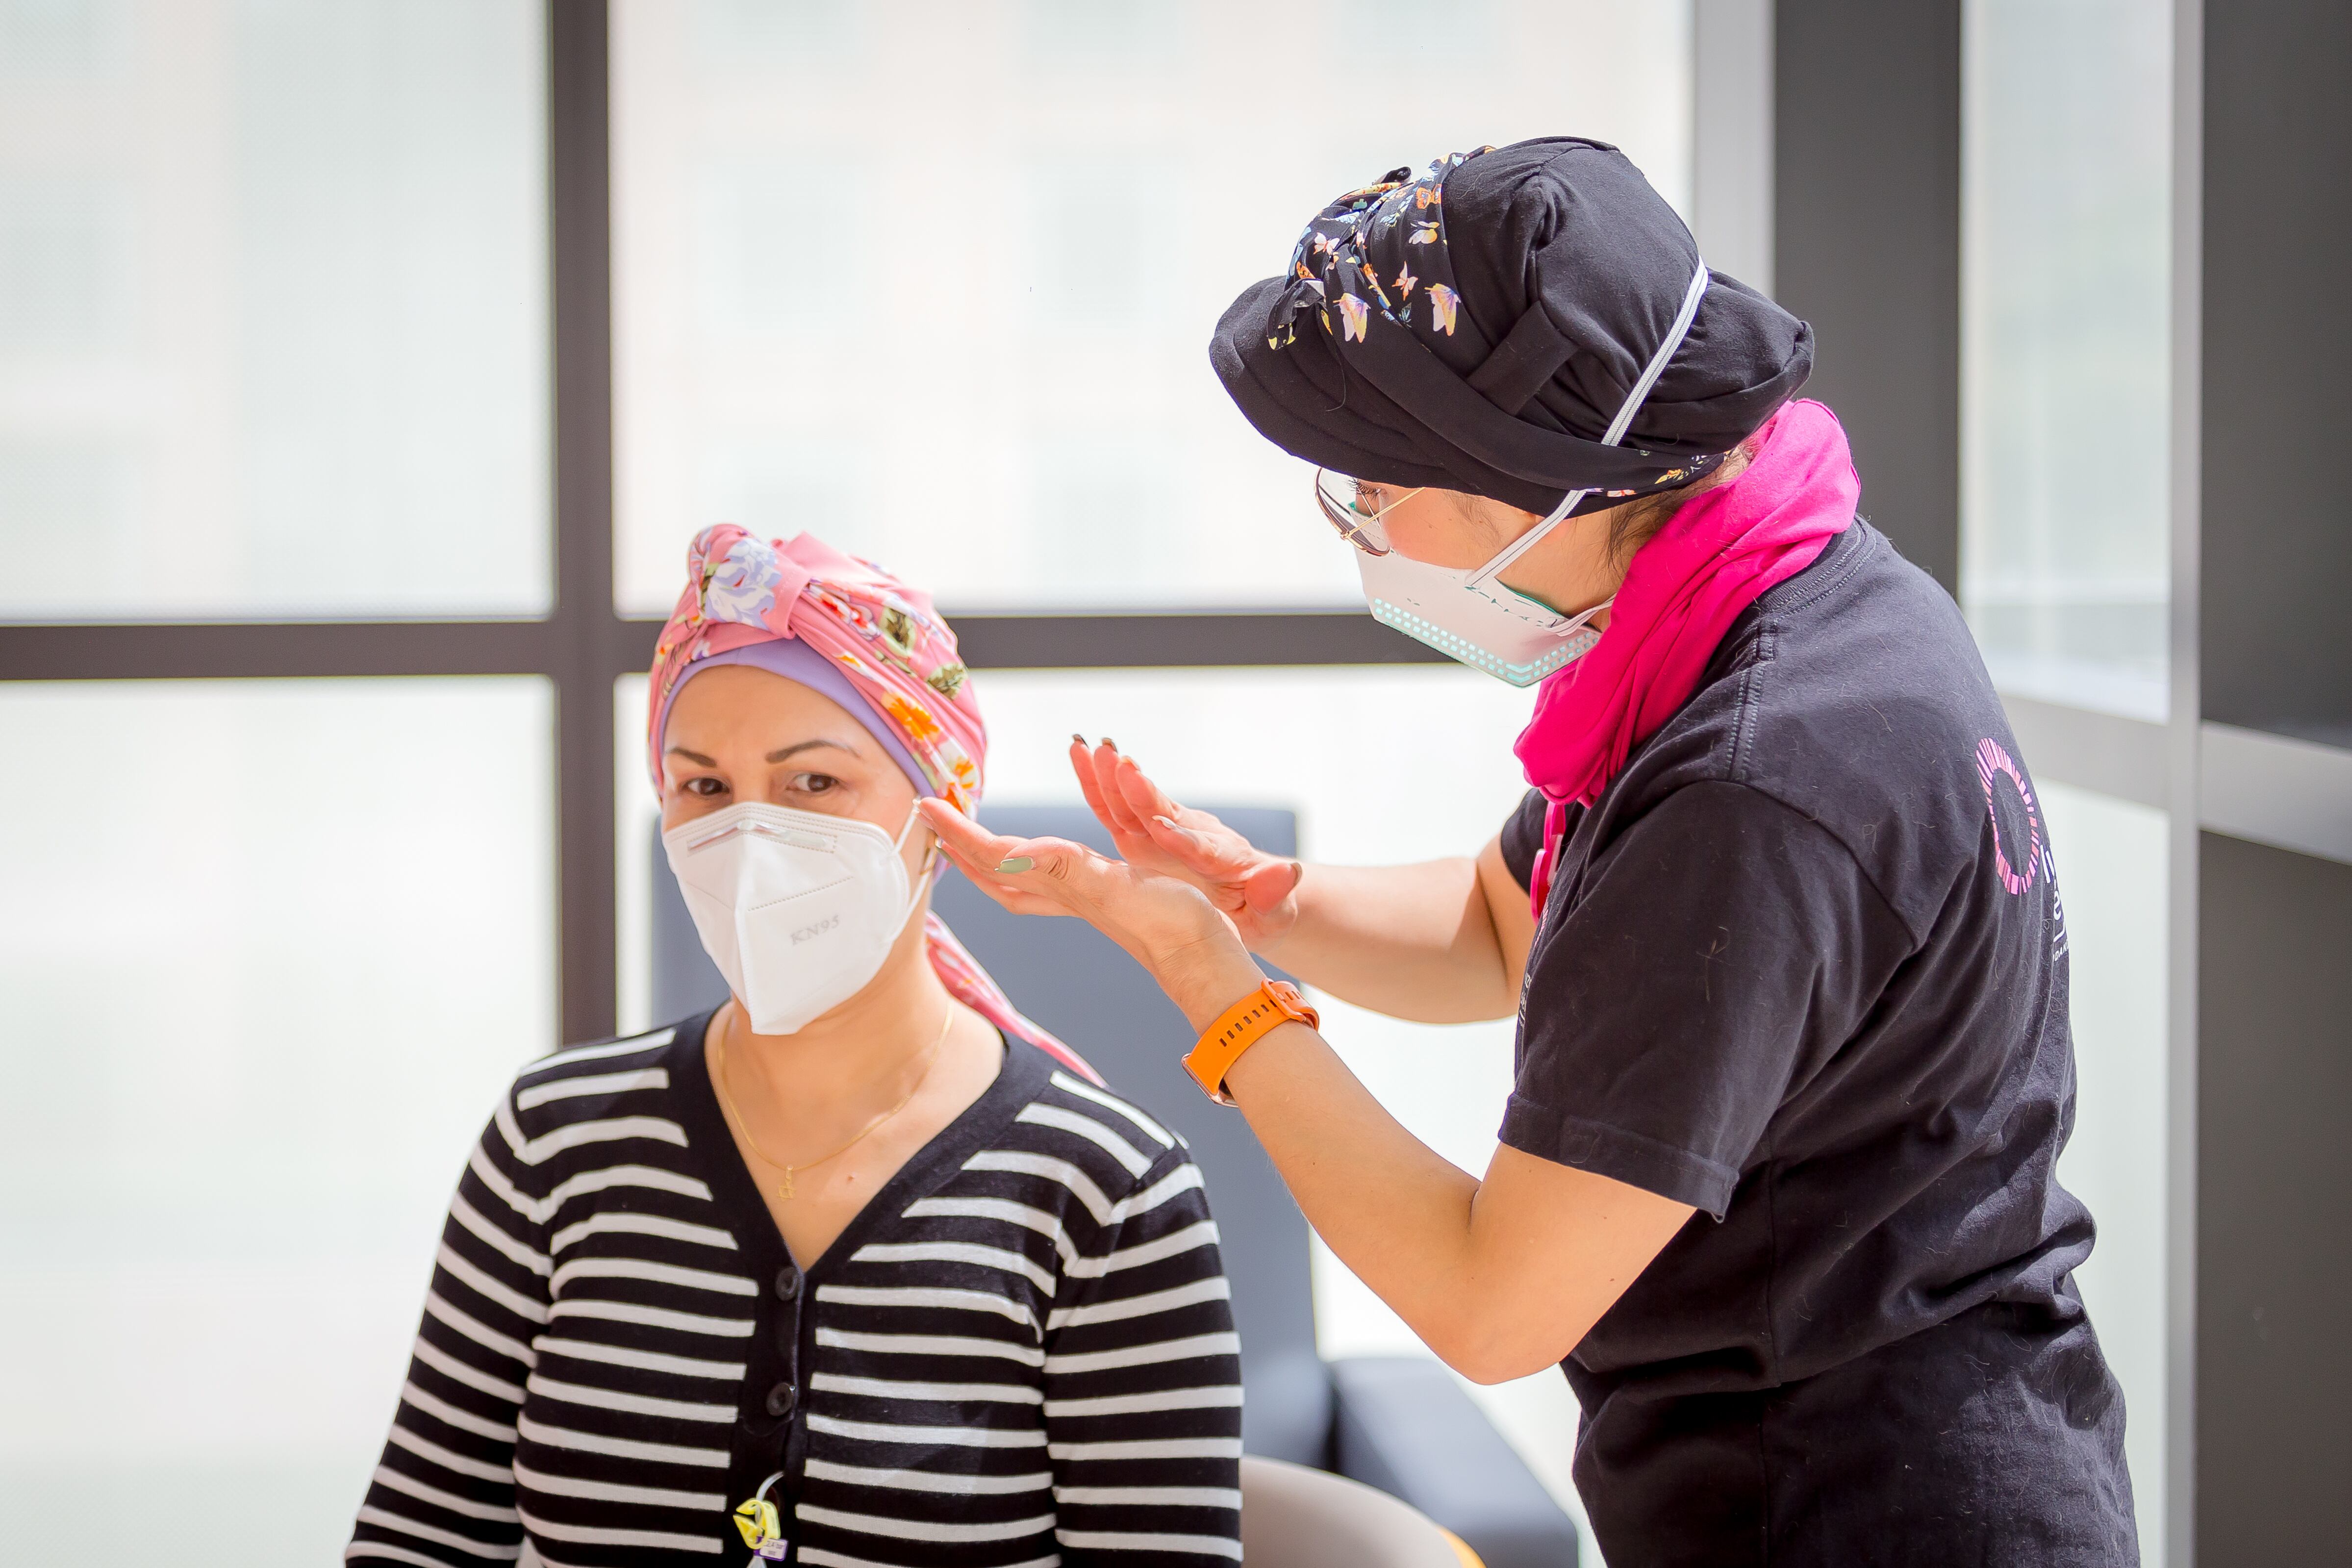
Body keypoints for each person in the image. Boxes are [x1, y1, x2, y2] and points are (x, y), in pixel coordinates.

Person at [919, 138, 2138, 1565]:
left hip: (1859, 1502)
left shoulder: (1754, 784)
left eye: (1364, 492)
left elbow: (1488, 1299)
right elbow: (1513, 926)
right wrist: (1262, 900)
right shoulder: (1761, 585)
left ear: (1527, 486)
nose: (1354, 527)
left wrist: (1211, 988)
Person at [349, 530, 1241, 1568]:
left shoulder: (1108, 1189)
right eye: (702, 788)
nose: (749, 839)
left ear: (940, 809)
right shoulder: (554, 1141)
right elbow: (420, 1540)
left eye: (813, 784)